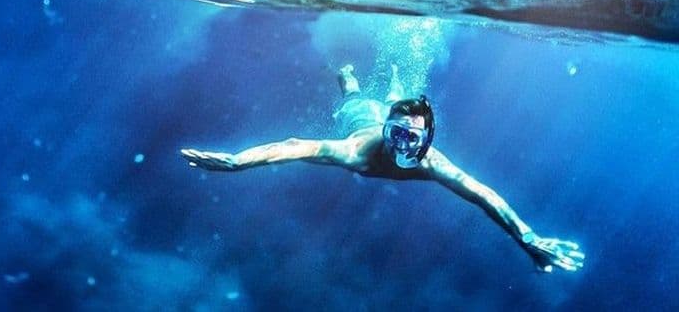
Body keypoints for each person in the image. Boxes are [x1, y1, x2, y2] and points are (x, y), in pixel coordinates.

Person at [181, 64, 585, 273]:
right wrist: (238, 163)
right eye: (397, 135)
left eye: (411, 138)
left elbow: (483, 195)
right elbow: (292, 147)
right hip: (360, 117)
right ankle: (348, 73)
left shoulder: (431, 162)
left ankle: (395, 82)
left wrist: (526, 237)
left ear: (427, 140)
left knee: (396, 96)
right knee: (353, 96)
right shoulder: (357, 150)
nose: (400, 147)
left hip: (385, 114)